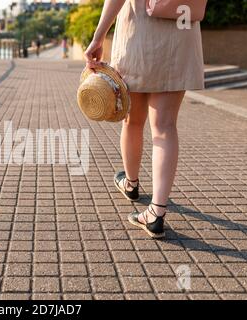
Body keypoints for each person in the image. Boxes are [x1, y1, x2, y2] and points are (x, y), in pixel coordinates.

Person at [84, 0, 204, 238]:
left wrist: (99, 36)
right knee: (165, 126)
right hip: (180, 35)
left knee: (133, 120)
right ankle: (157, 212)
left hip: (139, 33)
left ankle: (131, 183)